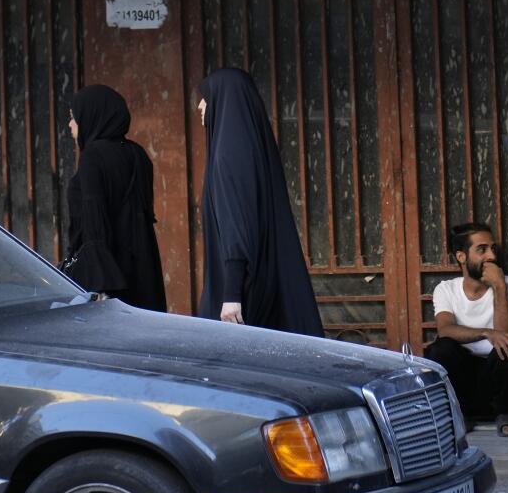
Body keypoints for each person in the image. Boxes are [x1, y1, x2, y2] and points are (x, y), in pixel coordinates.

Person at [195, 68, 324, 337]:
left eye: (205, 97)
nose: (200, 105)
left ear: (223, 99)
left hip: (239, 294)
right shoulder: (252, 148)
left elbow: (235, 226)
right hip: (258, 280)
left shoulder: (227, 155)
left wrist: (231, 295)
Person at [64, 85, 168, 312]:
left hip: (109, 278)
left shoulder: (93, 156)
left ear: (91, 116)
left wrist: (100, 284)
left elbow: (94, 219)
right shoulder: (138, 154)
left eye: (73, 118)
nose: (70, 124)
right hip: (143, 271)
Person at [426, 221, 508, 437]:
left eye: (493, 248)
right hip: (463, 382)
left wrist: (499, 287)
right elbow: (445, 329)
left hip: (497, 380)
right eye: (481, 250)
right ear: (461, 257)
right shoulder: (446, 289)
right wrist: (486, 332)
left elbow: (507, 332)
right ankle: (458, 413)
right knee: (441, 348)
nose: (491, 256)